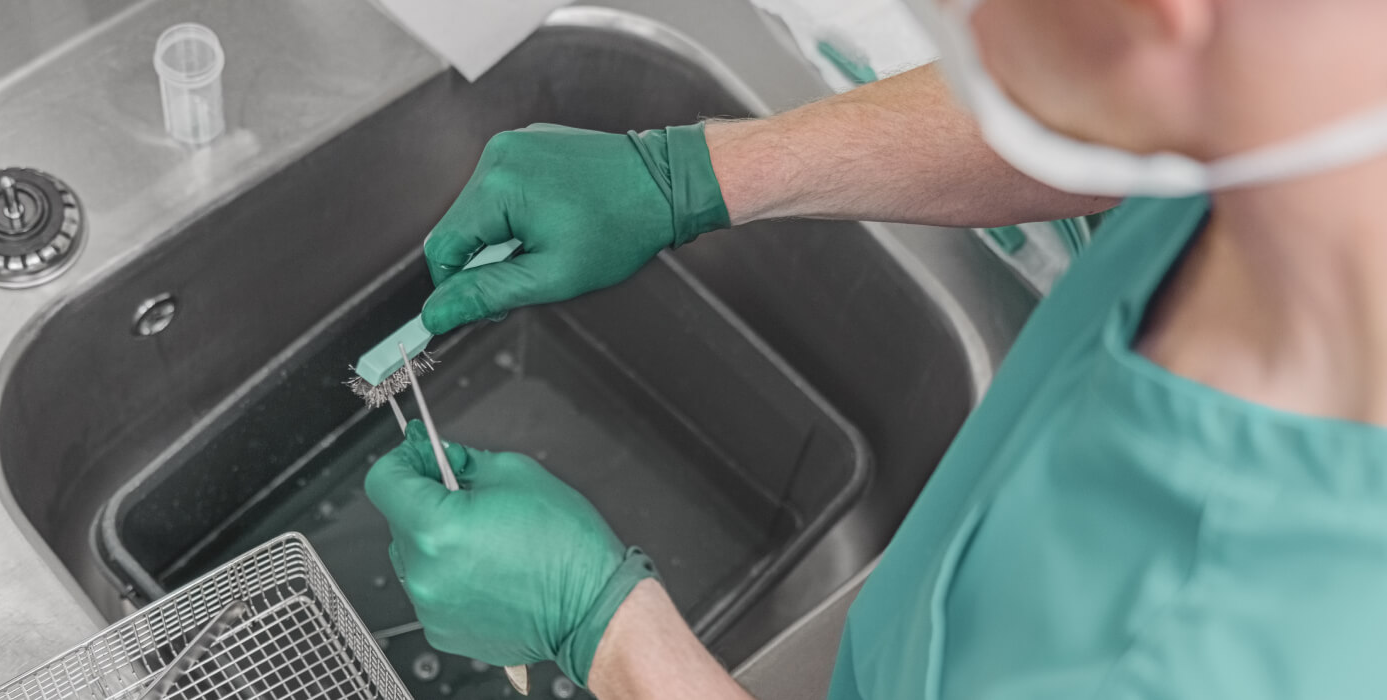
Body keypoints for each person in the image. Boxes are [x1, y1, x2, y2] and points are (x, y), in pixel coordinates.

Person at [364, 0, 1387, 697]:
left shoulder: (1248, 642)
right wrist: (693, 173)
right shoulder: (1324, 91)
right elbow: (1126, 96)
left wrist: (610, 634)